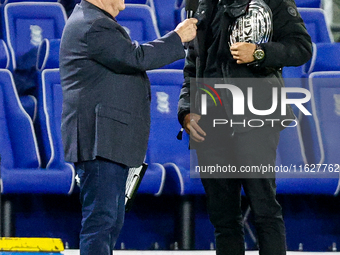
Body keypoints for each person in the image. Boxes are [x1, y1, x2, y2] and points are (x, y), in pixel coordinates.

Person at [59, 0, 197, 254]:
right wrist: (177, 37)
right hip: (100, 142)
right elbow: (135, 57)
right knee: (101, 222)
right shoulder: (94, 25)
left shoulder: (93, 20)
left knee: (109, 221)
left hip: (109, 142)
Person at [177, 0, 312, 254]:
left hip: (254, 116)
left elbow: (302, 47)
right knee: (223, 218)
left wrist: (260, 53)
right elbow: (192, 63)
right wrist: (185, 110)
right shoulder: (198, 3)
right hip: (210, 120)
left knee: (264, 209)